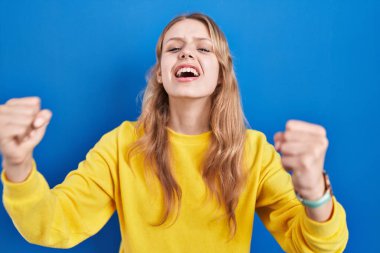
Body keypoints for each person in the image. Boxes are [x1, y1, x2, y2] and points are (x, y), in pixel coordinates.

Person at [0, 13, 348, 253]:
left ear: (221, 75)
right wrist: (17, 164)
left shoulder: (253, 152)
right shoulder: (122, 145)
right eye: (174, 47)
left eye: (203, 47)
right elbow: (52, 224)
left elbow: (319, 247)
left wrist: (315, 190)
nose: (186, 51)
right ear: (163, 74)